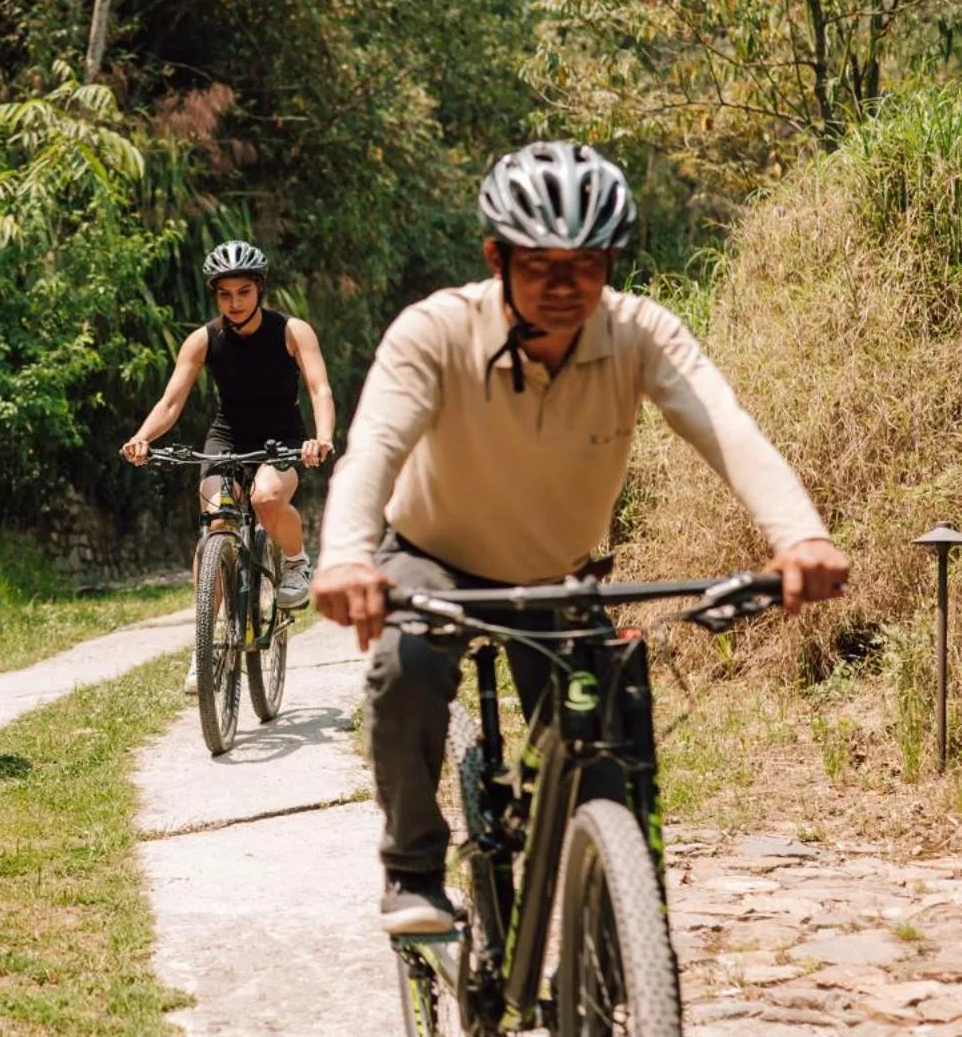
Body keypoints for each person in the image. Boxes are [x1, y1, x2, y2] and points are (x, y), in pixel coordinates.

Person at [309, 141, 850, 935]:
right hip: (434, 558)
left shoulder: (638, 333)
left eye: (587, 264)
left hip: (561, 573)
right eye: (542, 265)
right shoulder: (435, 331)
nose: (566, 287)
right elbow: (375, 448)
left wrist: (800, 535)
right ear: (497, 258)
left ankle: (606, 918)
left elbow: (725, 426)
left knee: (603, 744)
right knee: (407, 663)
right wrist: (348, 557)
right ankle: (413, 867)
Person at [121, 240, 338, 692]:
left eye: (243, 291)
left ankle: (295, 561)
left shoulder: (292, 331)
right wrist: (142, 437)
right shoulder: (203, 340)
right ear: (215, 295)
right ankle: (207, 646)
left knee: (265, 497)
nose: (234, 302)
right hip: (228, 437)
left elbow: (320, 388)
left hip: (283, 436)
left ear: (259, 289)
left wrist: (323, 438)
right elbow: (171, 401)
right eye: (225, 294)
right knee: (216, 521)